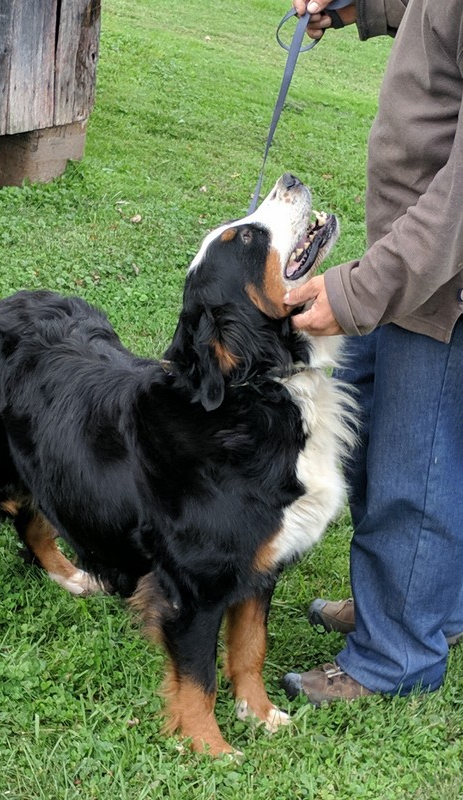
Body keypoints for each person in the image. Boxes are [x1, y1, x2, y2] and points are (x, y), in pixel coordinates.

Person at [280, 0, 463, 705]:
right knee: (367, 436)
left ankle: (397, 657)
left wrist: (362, 292)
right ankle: (419, 606)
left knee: (414, 472)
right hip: (410, 264)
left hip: (438, 279)